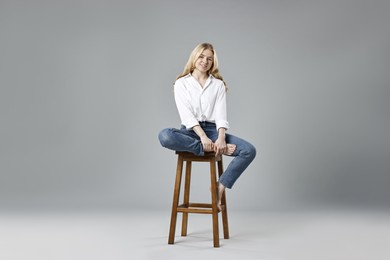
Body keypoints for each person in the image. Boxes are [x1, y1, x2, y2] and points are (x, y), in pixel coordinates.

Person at [158, 42, 256, 210]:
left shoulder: (218, 85)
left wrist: (221, 139)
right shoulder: (181, 83)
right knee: (165, 135)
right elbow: (186, 115)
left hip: (212, 131)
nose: (205, 61)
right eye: (201, 57)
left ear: (213, 62)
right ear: (194, 57)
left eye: (209, 59)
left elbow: (220, 115)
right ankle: (211, 148)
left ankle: (220, 186)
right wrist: (203, 139)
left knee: (249, 150)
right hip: (190, 131)